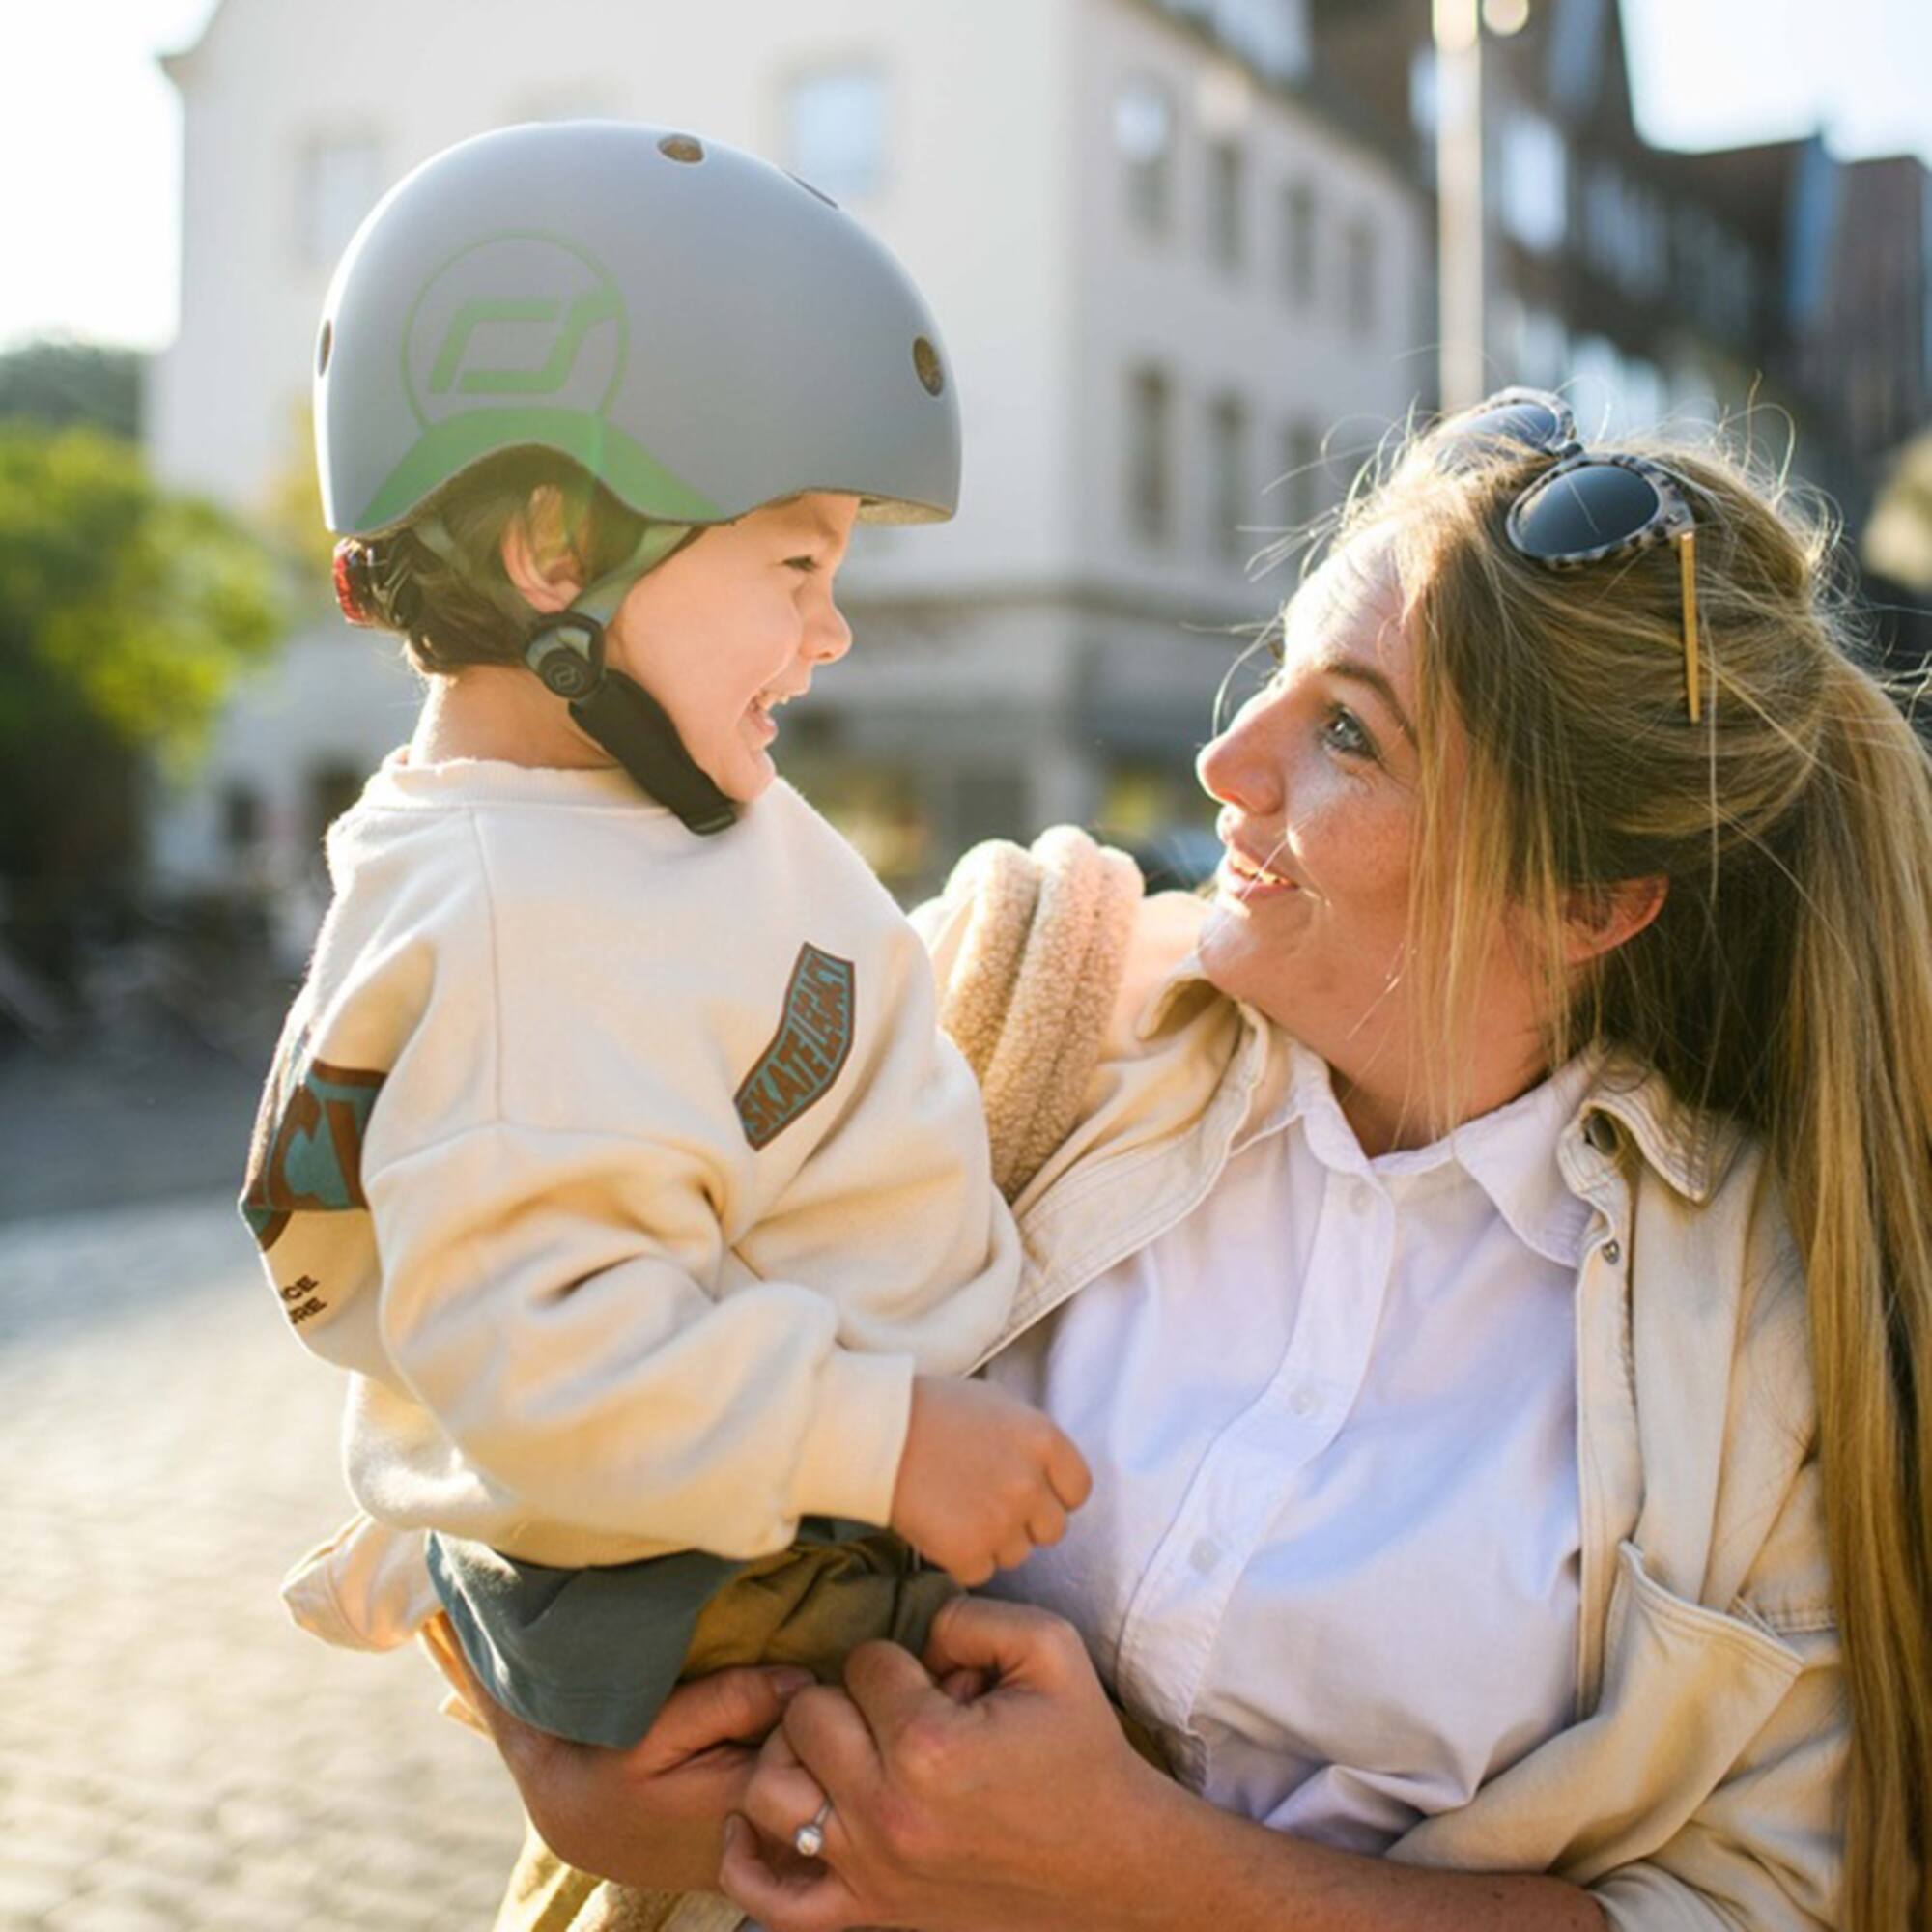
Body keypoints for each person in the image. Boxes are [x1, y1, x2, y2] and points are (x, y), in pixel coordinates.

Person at [449, 391, 1932, 1932]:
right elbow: (486, 1277)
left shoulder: (1759, 1331)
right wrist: (553, 1751)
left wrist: (1145, 1876)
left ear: (1589, 902)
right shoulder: (998, 996)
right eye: (1279, 674)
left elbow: (1754, 1907)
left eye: (1348, 729)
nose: (1229, 759)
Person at [239, 119, 1108, 1764]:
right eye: (793, 562)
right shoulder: (519, 924)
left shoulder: (620, 816)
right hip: (765, 1568)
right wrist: (890, 1437)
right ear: (558, 553)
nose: (831, 627)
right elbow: (544, 1354)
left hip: (802, 1503)